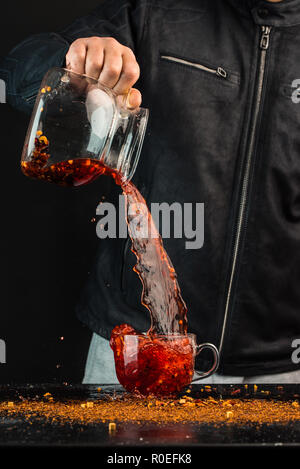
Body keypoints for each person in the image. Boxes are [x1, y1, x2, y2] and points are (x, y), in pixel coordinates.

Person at [1, 0, 300, 384]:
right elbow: (17, 70)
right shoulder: (156, 11)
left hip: (282, 367)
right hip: (134, 352)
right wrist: (72, 62)